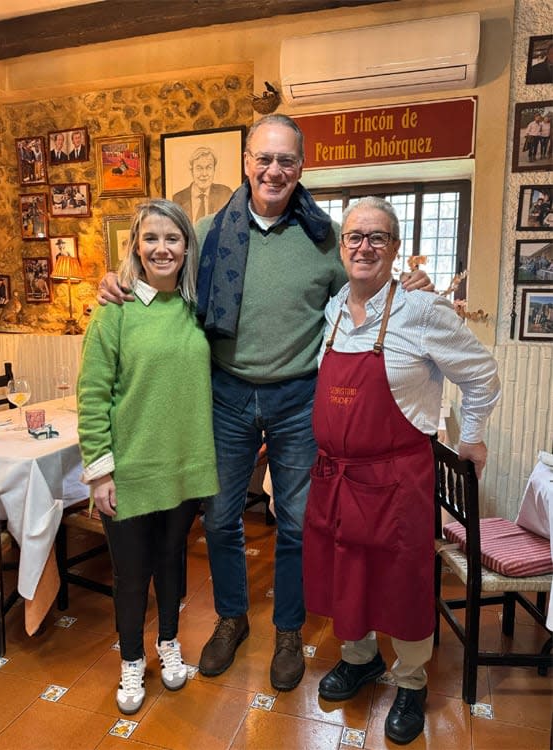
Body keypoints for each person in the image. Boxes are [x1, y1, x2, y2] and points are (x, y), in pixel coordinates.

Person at [96, 114, 433, 693]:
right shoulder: (206, 231)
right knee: (222, 517)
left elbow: (364, 295)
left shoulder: (325, 236)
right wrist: (115, 280)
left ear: (301, 168)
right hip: (224, 393)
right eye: (264, 159)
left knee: (296, 522)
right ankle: (231, 619)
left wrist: (409, 289)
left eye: (287, 161)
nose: (274, 171)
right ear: (246, 163)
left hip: (299, 395)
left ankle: (286, 629)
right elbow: (161, 268)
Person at [302, 196, 500, 745]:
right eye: (354, 237)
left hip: (397, 479)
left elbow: (483, 374)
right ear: (342, 248)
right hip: (339, 477)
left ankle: (410, 682)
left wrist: (473, 436)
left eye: (377, 237)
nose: (364, 246)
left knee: (402, 577)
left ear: (395, 250)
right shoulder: (335, 307)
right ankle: (360, 658)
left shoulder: (422, 310)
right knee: (350, 568)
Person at [78, 198, 219, 715]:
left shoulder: (196, 307)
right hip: (131, 471)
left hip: (183, 467)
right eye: (151, 238)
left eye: (172, 239)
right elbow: (93, 393)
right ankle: (132, 660)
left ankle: (169, 644)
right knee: (131, 576)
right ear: (136, 246)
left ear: (186, 248)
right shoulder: (114, 311)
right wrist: (100, 472)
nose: (162, 248)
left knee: (172, 566)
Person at [172, 147, 233, 223]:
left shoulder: (225, 194)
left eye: (209, 168)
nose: (204, 174)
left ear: (214, 170)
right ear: (192, 171)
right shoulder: (178, 199)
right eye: (199, 168)